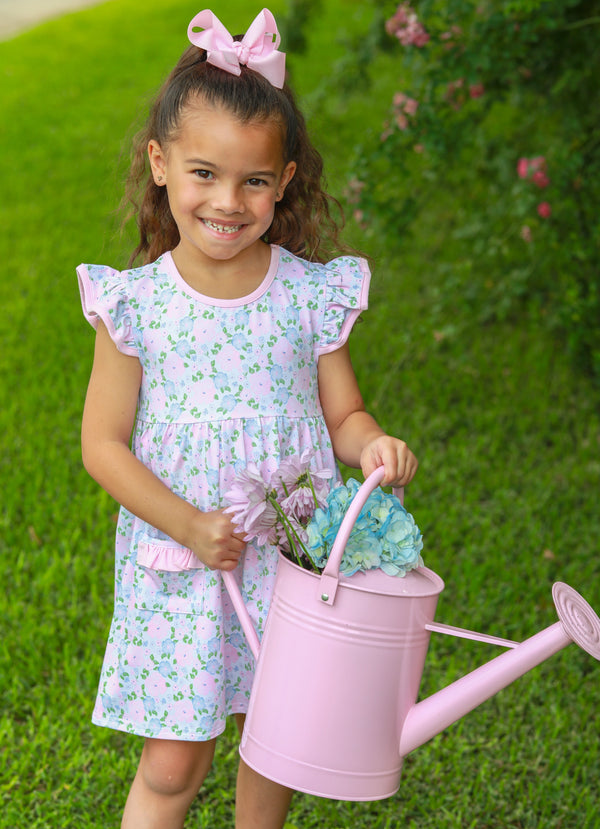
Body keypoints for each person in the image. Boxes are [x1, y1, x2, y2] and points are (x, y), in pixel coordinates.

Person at [78, 8, 418, 829]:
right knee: (173, 760)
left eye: (254, 181)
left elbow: (344, 411)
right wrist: (190, 525)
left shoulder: (308, 291)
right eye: (203, 173)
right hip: (183, 557)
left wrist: (370, 442)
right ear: (160, 166)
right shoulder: (138, 306)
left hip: (290, 558)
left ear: (285, 178)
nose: (228, 202)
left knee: (277, 739)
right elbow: (102, 446)